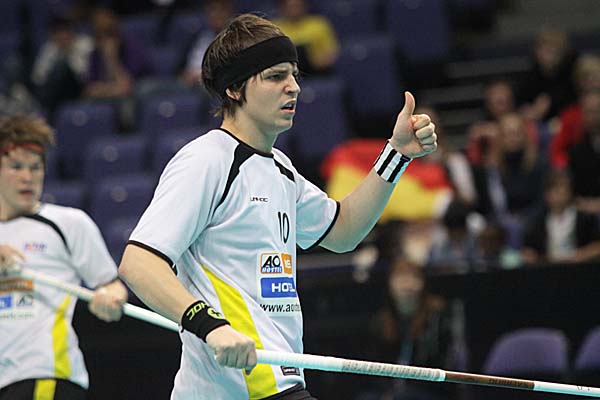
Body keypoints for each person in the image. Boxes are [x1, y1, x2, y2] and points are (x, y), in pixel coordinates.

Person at [117, 13, 437, 400]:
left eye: (294, 75)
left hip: (274, 379)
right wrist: (210, 325)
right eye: (275, 76)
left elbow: (344, 230)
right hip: (248, 384)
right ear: (234, 88)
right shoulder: (207, 161)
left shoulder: (280, 170)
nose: (294, 88)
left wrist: (397, 154)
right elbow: (139, 263)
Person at [0, 114, 128, 399]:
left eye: (35, 168)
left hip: (42, 373)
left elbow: (111, 286)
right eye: (16, 167)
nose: (27, 177)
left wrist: (111, 299)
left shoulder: (68, 223)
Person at [521, 170, 600, 265]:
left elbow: (597, 246)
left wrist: (582, 255)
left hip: (579, 268)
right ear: (547, 194)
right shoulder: (536, 222)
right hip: (548, 269)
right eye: (556, 189)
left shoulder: (585, 219)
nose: (562, 193)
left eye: (565, 188)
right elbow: (528, 251)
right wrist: (536, 258)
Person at [273, 0, 340, 76]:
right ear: (282, 8)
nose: (295, 10)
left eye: (297, 6)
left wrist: (312, 62)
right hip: (285, 74)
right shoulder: (275, 28)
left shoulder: (318, 24)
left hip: (316, 72)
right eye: (291, 7)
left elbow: (332, 53)